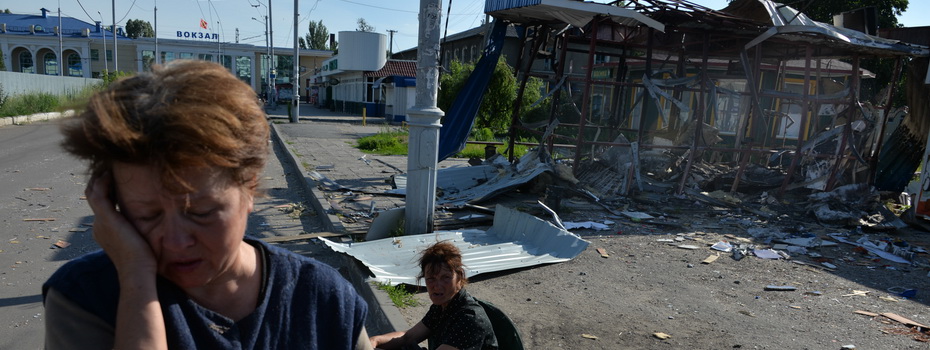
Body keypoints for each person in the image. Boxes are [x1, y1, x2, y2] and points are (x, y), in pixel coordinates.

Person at [43, 60, 372, 350]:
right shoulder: (86, 298)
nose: (175, 242)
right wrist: (136, 279)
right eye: (146, 215)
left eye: (201, 212)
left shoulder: (324, 300)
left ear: (249, 188)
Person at [369, 242, 498, 350]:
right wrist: (374, 341)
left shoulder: (470, 319)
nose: (437, 286)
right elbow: (407, 337)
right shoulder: (443, 306)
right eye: (431, 278)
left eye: (445, 278)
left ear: (460, 277)